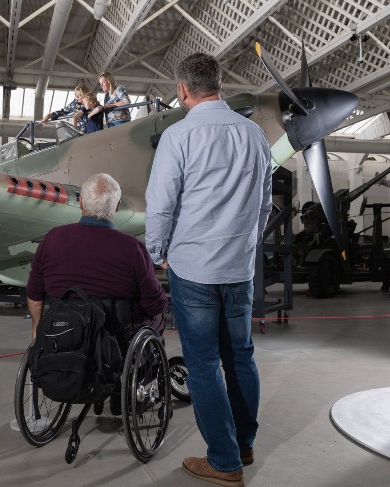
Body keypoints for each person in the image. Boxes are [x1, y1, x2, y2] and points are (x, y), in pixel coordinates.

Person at [145, 52, 272, 486]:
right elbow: (265, 204)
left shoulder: (178, 137)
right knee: (241, 356)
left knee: (202, 364)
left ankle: (224, 460)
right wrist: (247, 246)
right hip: (239, 269)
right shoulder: (255, 135)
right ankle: (244, 443)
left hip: (194, 268)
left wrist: (157, 250)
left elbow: (161, 204)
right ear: (219, 84)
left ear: (182, 90)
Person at [27, 173, 168, 414]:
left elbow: (34, 293)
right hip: (115, 338)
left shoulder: (52, 239)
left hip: (65, 334)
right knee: (158, 317)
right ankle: (136, 389)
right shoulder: (131, 248)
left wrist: (38, 330)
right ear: (116, 207)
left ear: (81, 202)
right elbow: (153, 304)